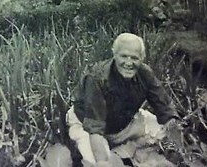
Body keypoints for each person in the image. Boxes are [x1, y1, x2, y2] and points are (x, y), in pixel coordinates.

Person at [67, 33, 182, 166]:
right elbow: (94, 128)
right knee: (95, 162)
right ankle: (121, 152)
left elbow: (166, 109)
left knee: (164, 133)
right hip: (87, 126)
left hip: (124, 124)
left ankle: (123, 150)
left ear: (142, 58)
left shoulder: (145, 74)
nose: (128, 63)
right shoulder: (97, 78)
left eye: (134, 58)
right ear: (114, 55)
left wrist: (178, 144)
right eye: (124, 56)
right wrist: (103, 162)